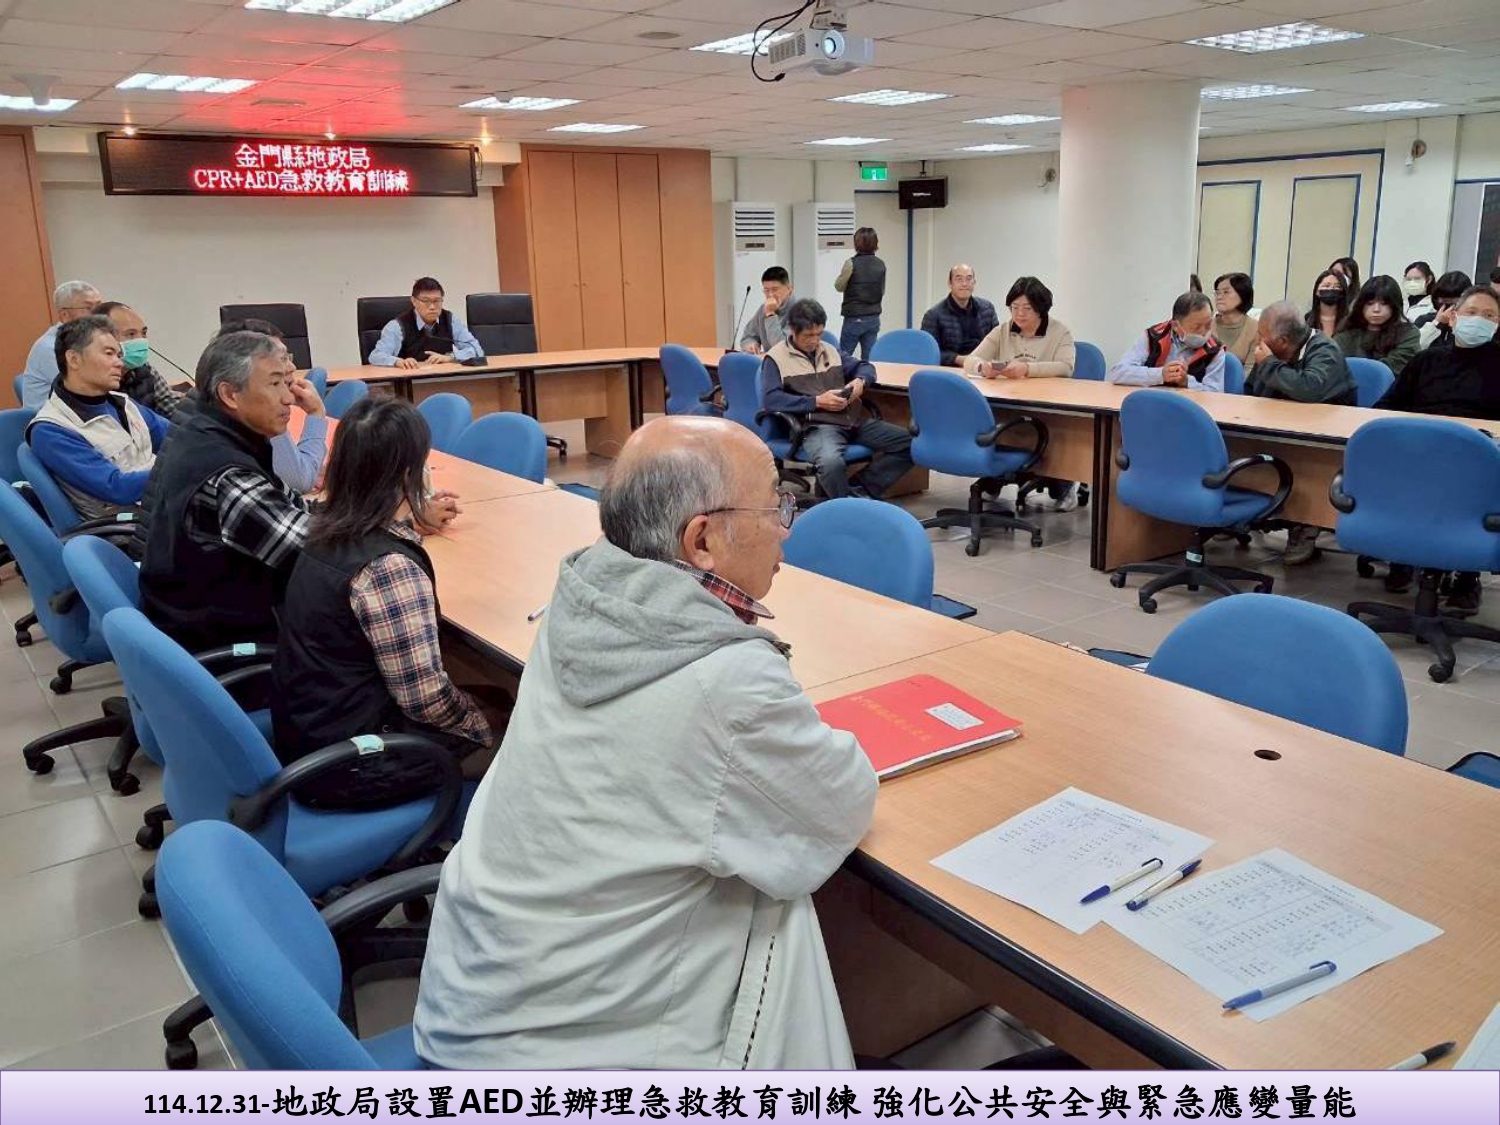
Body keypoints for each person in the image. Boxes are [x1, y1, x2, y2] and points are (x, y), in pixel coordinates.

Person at [413, 414, 878, 1069]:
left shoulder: (583, 595)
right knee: (783, 903)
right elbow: (839, 804)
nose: (785, 525)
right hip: (565, 1052)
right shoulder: (727, 680)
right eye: (775, 505)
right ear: (702, 540)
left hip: (480, 988)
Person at [139, 330, 460, 653]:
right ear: (230, 394)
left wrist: (388, 514)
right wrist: (402, 523)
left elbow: (296, 510)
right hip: (227, 641)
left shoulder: (213, 435)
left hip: (203, 620)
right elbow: (321, 556)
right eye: (275, 384)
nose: (289, 398)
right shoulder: (227, 476)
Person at [271, 396, 495, 810]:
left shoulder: (325, 530)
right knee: (519, 730)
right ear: (410, 474)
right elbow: (426, 701)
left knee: (491, 697)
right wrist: (483, 726)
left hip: (310, 734)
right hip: (356, 765)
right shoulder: (388, 568)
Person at [1374, 285, 1500, 611]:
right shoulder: (1427, 361)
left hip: (1477, 461)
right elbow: (1383, 409)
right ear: (1454, 317)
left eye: (1489, 316)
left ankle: (1467, 577)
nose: (1479, 320)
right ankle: (1405, 555)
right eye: (1472, 312)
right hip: (1419, 455)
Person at [758, 298, 913, 500]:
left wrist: (860, 382)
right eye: (808, 335)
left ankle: (859, 491)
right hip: (816, 426)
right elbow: (771, 400)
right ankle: (844, 506)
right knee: (831, 463)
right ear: (793, 331)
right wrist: (816, 402)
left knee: (911, 445)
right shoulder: (776, 359)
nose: (815, 341)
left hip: (852, 420)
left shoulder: (829, 350)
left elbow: (865, 367)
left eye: (819, 334)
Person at [25, 315, 168, 522]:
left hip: (164, 504)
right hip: (132, 526)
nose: (119, 363)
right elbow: (117, 488)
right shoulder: (52, 429)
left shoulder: (122, 403)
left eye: (119, 355)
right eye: (109, 353)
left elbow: (176, 437)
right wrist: (180, 472)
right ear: (74, 359)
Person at [1249, 300, 1357, 565]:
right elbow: (1250, 391)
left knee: (1306, 465)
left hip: (1322, 439)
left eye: (1262, 335)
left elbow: (1309, 389)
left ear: (1283, 341)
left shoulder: (1324, 350)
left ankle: (1305, 523)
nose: (1257, 341)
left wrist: (1269, 365)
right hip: (1277, 428)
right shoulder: (1272, 354)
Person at [963, 276, 1079, 510]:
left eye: (1027, 308)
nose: (1019, 314)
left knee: (1059, 432)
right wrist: (982, 367)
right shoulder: (1003, 330)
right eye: (1014, 307)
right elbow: (970, 360)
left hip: (1049, 404)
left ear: (1041, 308)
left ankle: (1065, 483)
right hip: (1010, 400)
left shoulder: (1059, 332)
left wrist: (1027, 369)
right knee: (996, 419)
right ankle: (996, 477)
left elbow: (1066, 367)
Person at [215, 319, 328, 494]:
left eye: (287, 357)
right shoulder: (258, 410)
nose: (291, 367)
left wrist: (308, 465)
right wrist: (316, 414)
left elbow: (297, 475)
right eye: (281, 359)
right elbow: (300, 480)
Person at [1107, 291, 1225, 392]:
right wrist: (1160, 375)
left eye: (1208, 324)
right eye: (1196, 327)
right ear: (1175, 326)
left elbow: (1215, 394)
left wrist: (1187, 382)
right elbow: (1118, 373)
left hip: (1190, 407)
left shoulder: (1215, 350)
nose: (1204, 332)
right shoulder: (1153, 336)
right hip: (1151, 402)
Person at [91, 301, 185, 419]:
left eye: (143, 333)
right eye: (131, 334)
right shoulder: (92, 380)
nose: (141, 340)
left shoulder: (144, 370)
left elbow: (170, 405)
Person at [368, 277, 483, 369]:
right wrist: (399, 361)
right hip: (408, 381)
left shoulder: (450, 320)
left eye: (436, 301)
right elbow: (376, 356)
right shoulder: (397, 326)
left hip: (445, 378)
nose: (432, 307)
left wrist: (450, 357)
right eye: (426, 301)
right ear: (414, 301)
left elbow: (477, 350)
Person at [20, 280, 100, 409]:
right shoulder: (50, 348)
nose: (99, 314)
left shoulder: (86, 340)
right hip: (52, 417)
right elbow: (86, 389)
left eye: (100, 306)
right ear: (65, 315)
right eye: (89, 308)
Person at [1333, 276, 1422, 378]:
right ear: (1361, 305)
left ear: (1394, 305)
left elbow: (1394, 367)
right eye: (1370, 303)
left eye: (1383, 304)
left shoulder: (1408, 333)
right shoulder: (1348, 331)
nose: (1376, 309)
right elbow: (1331, 363)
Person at [920, 263, 999, 367]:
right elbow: (928, 352)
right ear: (950, 283)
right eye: (959, 279)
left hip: (983, 367)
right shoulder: (933, 315)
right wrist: (958, 359)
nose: (964, 284)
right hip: (950, 370)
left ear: (974, 282)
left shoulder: (987, 309)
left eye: (969, 279)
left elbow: (998, 342)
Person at [833, 226, 885, 360]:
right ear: (876, 243)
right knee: (869, 359)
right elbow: (882, 291)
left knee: (843, 357)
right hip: (874, 317)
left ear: (856, 243)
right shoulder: (881, 264)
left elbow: (839, 286)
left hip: (854, 318)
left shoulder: (851, 263)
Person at [739, 266, 794, 355]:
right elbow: (747, 337)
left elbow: (781, 348)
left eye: (775, 289)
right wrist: (751, 345)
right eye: (766, 290)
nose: (770, 294)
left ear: (789, 289)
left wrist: (771, 314)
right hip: (767, 361)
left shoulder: (800, 311)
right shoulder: (763, 309)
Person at [1211, 272, 1259, 367]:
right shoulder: (1207, 325)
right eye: (1217, 293)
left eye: (1226, 292)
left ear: (1242, 294)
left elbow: (1250, 369)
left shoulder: (1255, 329)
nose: (1219, 297)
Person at [1417, 270, 1473, 349]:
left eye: (1453, 304)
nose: (1449, 309)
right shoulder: (1424, 320)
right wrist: (1436, 323)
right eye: (1444, 304)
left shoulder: (1472, 324)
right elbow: (1414, 347)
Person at [1306, 269, 1350, 340]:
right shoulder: (1306, 321)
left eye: (1337, 286)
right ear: (1317, 291)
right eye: (1326, 286)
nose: (1331, 289)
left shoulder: (1349, 322)